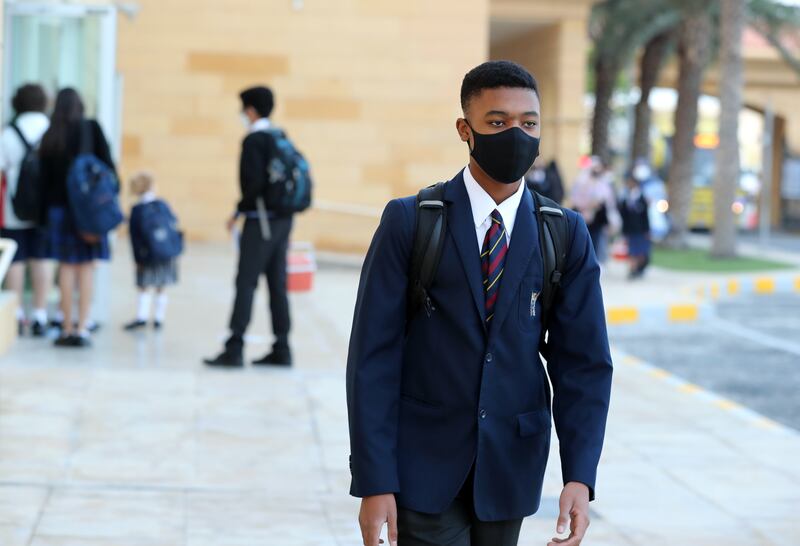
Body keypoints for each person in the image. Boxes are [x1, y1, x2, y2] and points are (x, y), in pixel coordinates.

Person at [347, 61, 612, 546]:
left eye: (528, 123)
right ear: (465, 130)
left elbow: (584, 363)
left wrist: (580, 474)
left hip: (511, 469)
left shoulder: (565, 232)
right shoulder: (410, 221)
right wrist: (374, 478)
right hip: (421, 467)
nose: (516, 134)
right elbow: (372, 357)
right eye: (497, 122)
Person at [204, 86, 294, 368]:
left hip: (260, 222)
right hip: (283, 220)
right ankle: (282, 347)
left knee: (246, 282)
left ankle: (235, 346)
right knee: (277, 284)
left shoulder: (254, 140)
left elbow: (252, 184)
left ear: (251, 110)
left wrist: (237, 212)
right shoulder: (280, 136)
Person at [39, 88, 116, 348]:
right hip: (88, 212)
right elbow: (109, 169)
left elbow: (43, 180)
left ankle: (66, 327)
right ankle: (83, 328)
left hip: (60, 210)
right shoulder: (91, 128)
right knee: (86, 269)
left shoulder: (52, 133)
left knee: (66, 268)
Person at [0, 84, 52, 336]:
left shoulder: (10, 133)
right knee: (41, 257)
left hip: (14, 206)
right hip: (45, 206)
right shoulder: (52, 129)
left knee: (16, 259)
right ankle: (40, 313)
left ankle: (18, 313)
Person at [124, 171, 180, 330]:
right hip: (165, 253)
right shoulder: (162, 204)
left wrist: (137, 259)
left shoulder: (137, 210)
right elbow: (174, 224)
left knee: (143, 285)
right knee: (161, 285)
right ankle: (158, 318)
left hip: (146, 255)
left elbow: (134, 238)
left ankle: (142, 316)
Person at [570, 156, 619, 265]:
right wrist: (588, 205)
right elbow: (575, 199)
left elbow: (609, 201)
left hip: (597, 220)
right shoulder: (581, 181)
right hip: (583, 217)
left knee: (596, 242)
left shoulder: (603, 183)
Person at [619, 172, 651, 279]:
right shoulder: (626, 197)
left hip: (641, 229)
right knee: (632, 251)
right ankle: (633, 269)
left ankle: (639, 268)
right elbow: (623, 214)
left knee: (641, 251)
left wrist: (647, 230)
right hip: (630, 229)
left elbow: (645, 215)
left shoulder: (641, 197)